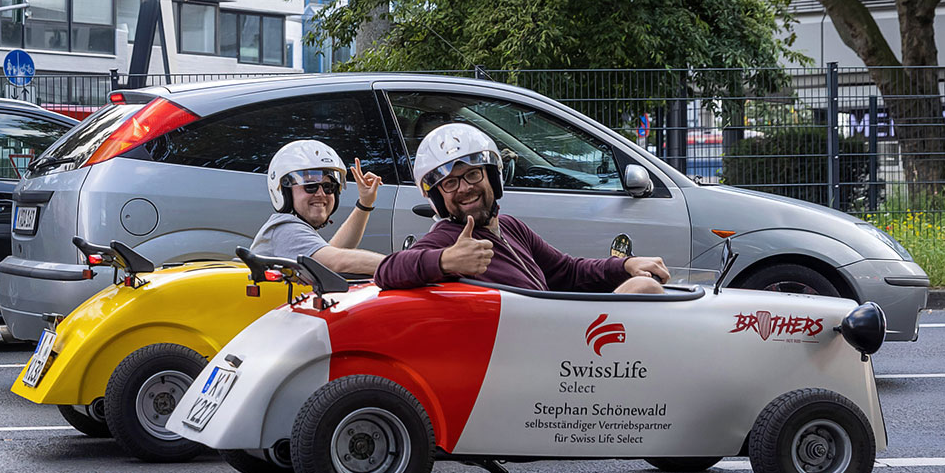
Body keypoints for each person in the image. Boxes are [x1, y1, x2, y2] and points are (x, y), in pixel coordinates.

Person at [374, 122, 671, 294]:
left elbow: (567, 271)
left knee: (640, 284)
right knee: (643, 291)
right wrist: (445, 261)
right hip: (528, 354)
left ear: (493, 177)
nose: (464, 188)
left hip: (552, 340)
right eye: (450, 183)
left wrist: (626, 265)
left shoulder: (512, 228)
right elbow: (386, 271)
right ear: (438, 197)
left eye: (473, 174)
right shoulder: (448, 239)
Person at [250, 139, 386, 275]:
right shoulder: (284, 230)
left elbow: (330, 253)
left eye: (328, 187)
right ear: (285, 192)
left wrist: (364, 203)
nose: (321, 193)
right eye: (310, 186)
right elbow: (338, 262)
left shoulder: (293, 233)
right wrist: (402, 265)